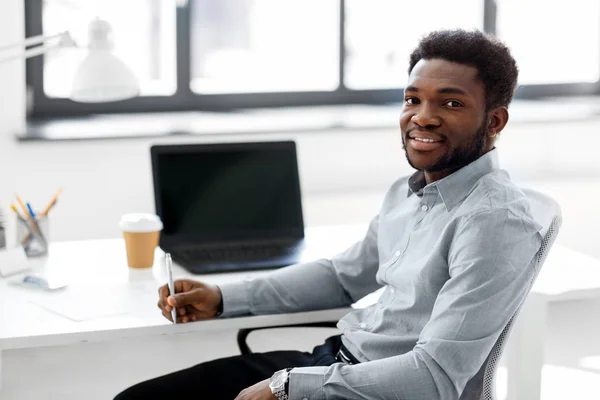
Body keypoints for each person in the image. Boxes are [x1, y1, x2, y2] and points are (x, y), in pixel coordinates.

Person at [115, 29, 542, 400]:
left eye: (450, 103)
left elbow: (435, 378)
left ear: (495, 120)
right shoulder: (410, 191)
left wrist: (289, 388)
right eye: (413, 99)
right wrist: (223, 297)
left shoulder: (496, 222)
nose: (422, 117)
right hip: (336, 364)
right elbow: (343, 277)